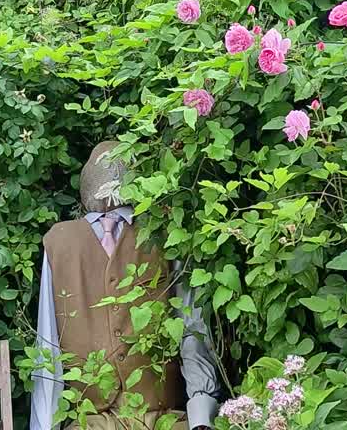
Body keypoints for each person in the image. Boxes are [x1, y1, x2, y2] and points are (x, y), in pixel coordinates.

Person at [29, 141, 221, 430]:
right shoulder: (60, 242)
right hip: (90, 421)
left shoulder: (162, 231)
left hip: (164, 416)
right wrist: (45, 425)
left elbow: (190, 326)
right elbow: (49, 343)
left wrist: (200, 414)